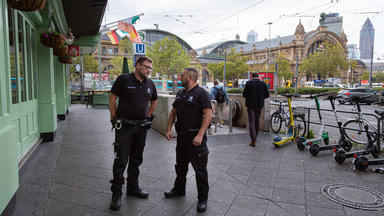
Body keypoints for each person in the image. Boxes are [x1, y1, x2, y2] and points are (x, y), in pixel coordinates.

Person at [108, 56, 158, 210]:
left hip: (141, 127)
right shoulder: (123, 79)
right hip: (124, 126)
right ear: (138, 65)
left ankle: (132, 188)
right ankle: (116, 194)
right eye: (146, 67)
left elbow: (154, 101)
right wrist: (114, 116)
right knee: (121, 160)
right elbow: (112, 98)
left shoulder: (150, 84)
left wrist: (148, 115)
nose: (149, 70)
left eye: (151, 68)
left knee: (136, 159)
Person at [165, 68, 212, 213]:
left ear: (190, 77)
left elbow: (208, 115)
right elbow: (173, 112)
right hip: (182, 137)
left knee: (200, 170)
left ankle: (202, 199)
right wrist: (168, 129)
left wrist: (200, 134)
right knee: (180, 166)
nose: (180, 77)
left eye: (182, 75)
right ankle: (179, 189)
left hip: (195, 139)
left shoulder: (201, 93)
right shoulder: (180, 93)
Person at [242, 72, 269, 147]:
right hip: (259, 105)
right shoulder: (263, 84)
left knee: (251, 121)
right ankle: (256, 136)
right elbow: (267, 95)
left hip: (250, 105)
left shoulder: (248, 83)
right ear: (258, 76)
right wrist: (260, 98)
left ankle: (253, 140)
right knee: (257, 120)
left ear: (252, 76)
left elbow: (244, 95)